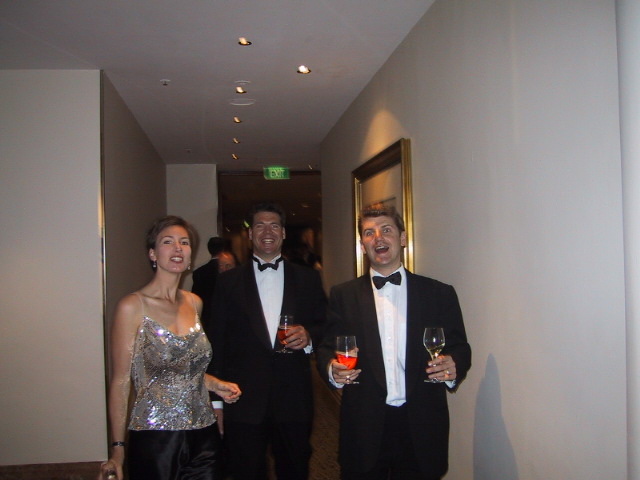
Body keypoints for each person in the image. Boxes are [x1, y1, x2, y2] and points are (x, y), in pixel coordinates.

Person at [316, 204, 471, 480]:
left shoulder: (438, 293)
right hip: (364, 425)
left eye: (386, 230)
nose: (378, 237)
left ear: (402, 238)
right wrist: (331, 368)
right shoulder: (343, 295)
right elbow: (327, 346)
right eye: (369, 233)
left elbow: (460, 347)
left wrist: (454, 364)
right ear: (363, 246)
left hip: (421, 426)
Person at [99, 216, 242, 480]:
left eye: (184, 242)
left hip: (205, 433)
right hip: (156, 438)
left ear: (190, 256)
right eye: (168, 242)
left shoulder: (195, 303)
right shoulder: (133, 306)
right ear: (152, 253)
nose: (178, 248)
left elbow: (183, 370)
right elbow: (121, 381)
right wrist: (117, 448)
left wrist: (214, 383)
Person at [206, 202, 327, 480]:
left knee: (295, 469)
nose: (267, 232)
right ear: (250, 234)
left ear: (283, 233)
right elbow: (217, 343)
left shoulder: (308, 278)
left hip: (294, 399)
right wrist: (216, 402)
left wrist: (309, 336)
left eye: (274, 225)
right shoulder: (227, 282)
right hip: (242, 400)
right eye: (259, 225)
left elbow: (325, 324)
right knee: (246, 471)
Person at [192, 236, 226, 321]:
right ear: (223, 249)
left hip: (207, 317)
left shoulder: (199, 272)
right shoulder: (230, 271)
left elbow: (195, 299)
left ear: (209, 249)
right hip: (226, 316)